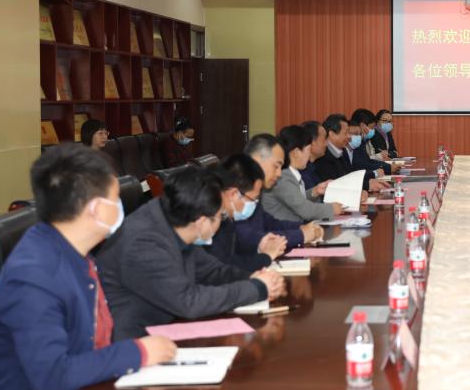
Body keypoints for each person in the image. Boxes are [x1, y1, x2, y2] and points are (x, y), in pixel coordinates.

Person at [0, 144, 176, 390]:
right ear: (95, 208)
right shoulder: (33, 274)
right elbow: (52, 376)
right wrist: (139, 352)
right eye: (116, 199)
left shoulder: (76, 256)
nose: (122, 208)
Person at [97, 164, 287, 340]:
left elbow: (211, 271)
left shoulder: (177, 219)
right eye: (220, 217)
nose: (222, 221)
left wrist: (253, 278)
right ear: (202, 222)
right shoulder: (144, 243)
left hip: (166, 328)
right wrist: (257, 289)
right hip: (136, 343)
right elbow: (189, 301)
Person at [241, 134, 325, 251]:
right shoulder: (238, 193)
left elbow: (270, 223)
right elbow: (252, 238)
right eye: (276, 166)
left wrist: (302, 228)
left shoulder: (255, 191)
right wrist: (301, 235)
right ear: (257, 161)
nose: (279, 174)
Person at [208, 154, 287, 272]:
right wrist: (265, 257)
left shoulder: (226, 218)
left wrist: (261, 245)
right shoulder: (208, 219)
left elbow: (234, 253)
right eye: (253, 199)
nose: (254, 205)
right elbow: (222, 266)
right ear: (234, 194)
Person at [263, 124, 342, 222]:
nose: (309, 155)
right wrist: (331, 209)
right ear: (296, 152)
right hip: (283, 229)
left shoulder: (291, 173)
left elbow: (297, 201)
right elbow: (305, 210)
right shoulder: (283, 177)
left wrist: (315, 191)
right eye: (308, 149)